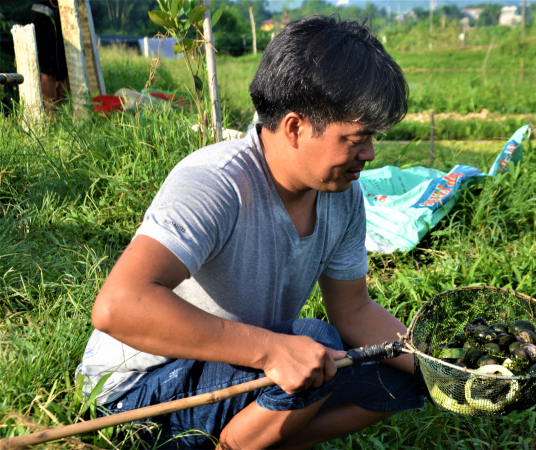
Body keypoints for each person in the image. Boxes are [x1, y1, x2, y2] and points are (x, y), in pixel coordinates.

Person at [77, 15, 423, 449]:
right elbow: (118, 307)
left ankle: (252, 440)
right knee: (311, 342)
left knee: (409, 378)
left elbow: (353, 311)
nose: (369, 154)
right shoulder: (216, 181)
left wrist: (441, 365)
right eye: (356, 139)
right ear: (295, 127)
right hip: (136, 395)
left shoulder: (341, 194)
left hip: (235, 368)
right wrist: (272, 351)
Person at [30, 0, 69, 114]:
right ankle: (51, 115)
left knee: (68, 74)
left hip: (62, 14)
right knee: (49, 71)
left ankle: (51, 113)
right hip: (44, 13)